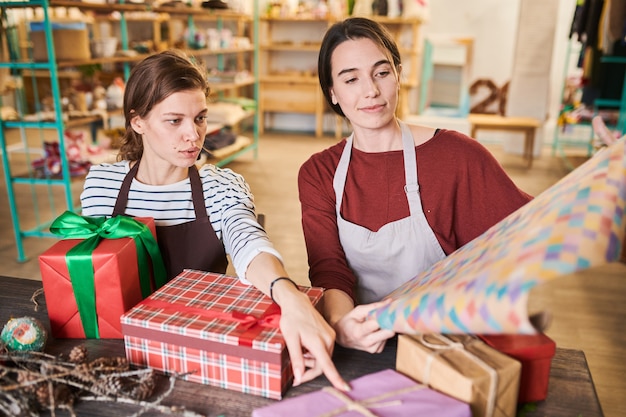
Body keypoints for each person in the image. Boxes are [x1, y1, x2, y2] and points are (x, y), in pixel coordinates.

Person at [80, 49, 348, 391]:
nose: (193, 135)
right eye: (174, 120)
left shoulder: (220, 186)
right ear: (138, 122)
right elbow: (88, 270)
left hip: (195, 349)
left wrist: (289, 295)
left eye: (200, 118)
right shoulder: (102, 183)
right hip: (115, 346)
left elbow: (248, 241)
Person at [298, 17, 534, 354]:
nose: (371, 91)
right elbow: (329, 269)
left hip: (445, 343)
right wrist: (344, 326)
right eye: (351, 79)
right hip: (362, 340)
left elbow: (525, 234)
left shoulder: (456, 157)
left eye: (381, 73)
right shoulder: (319, 173)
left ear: (397, 75)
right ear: (333, 93)